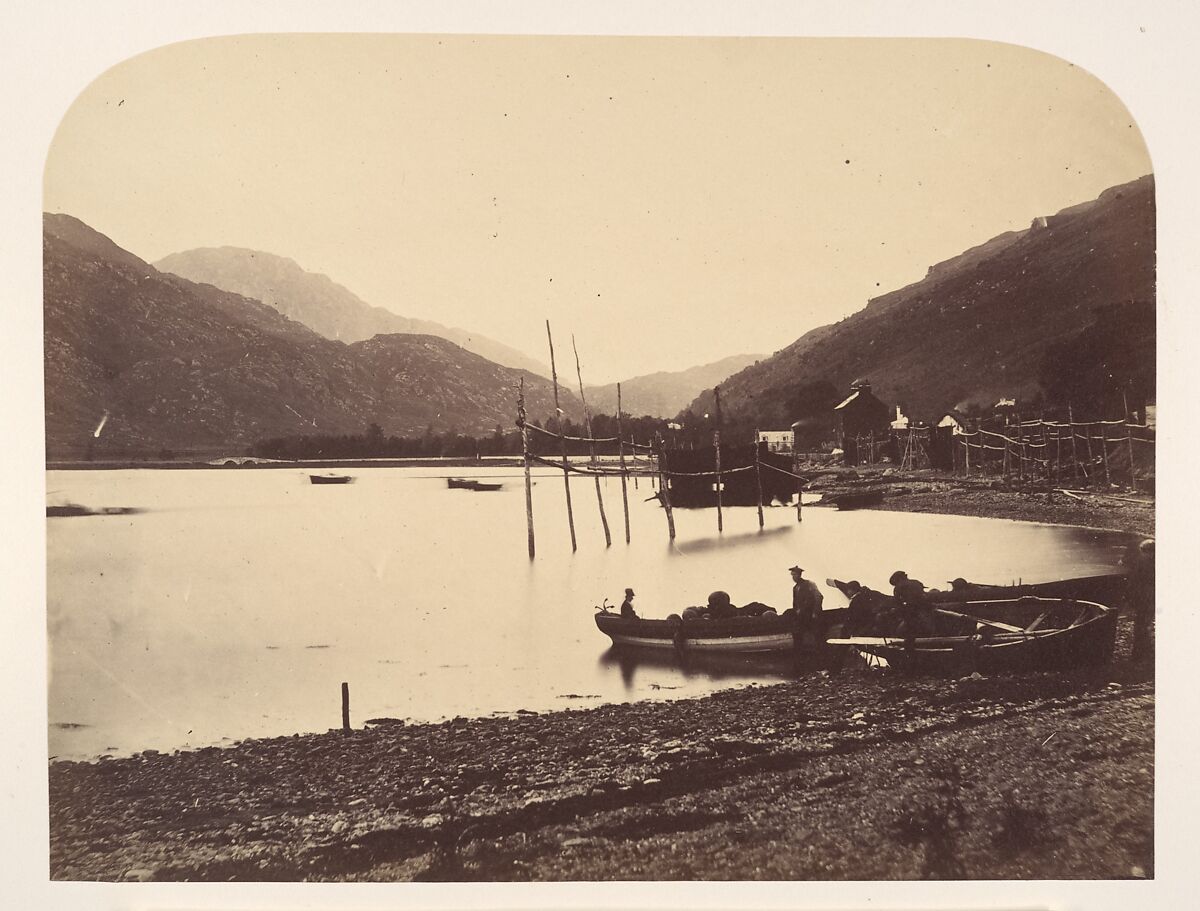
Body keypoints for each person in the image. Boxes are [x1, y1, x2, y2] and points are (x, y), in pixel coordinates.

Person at [1128, 539, 1154, 664]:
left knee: (1140, 626)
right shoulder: (1149, 563)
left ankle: (1139, 655)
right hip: (1148, 599)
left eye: (1143, 551)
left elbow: (1134, 582)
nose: (1142, 553)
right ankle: (1145, 652)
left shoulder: (1144, 564)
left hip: (1144, 599)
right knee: (1143, 626)